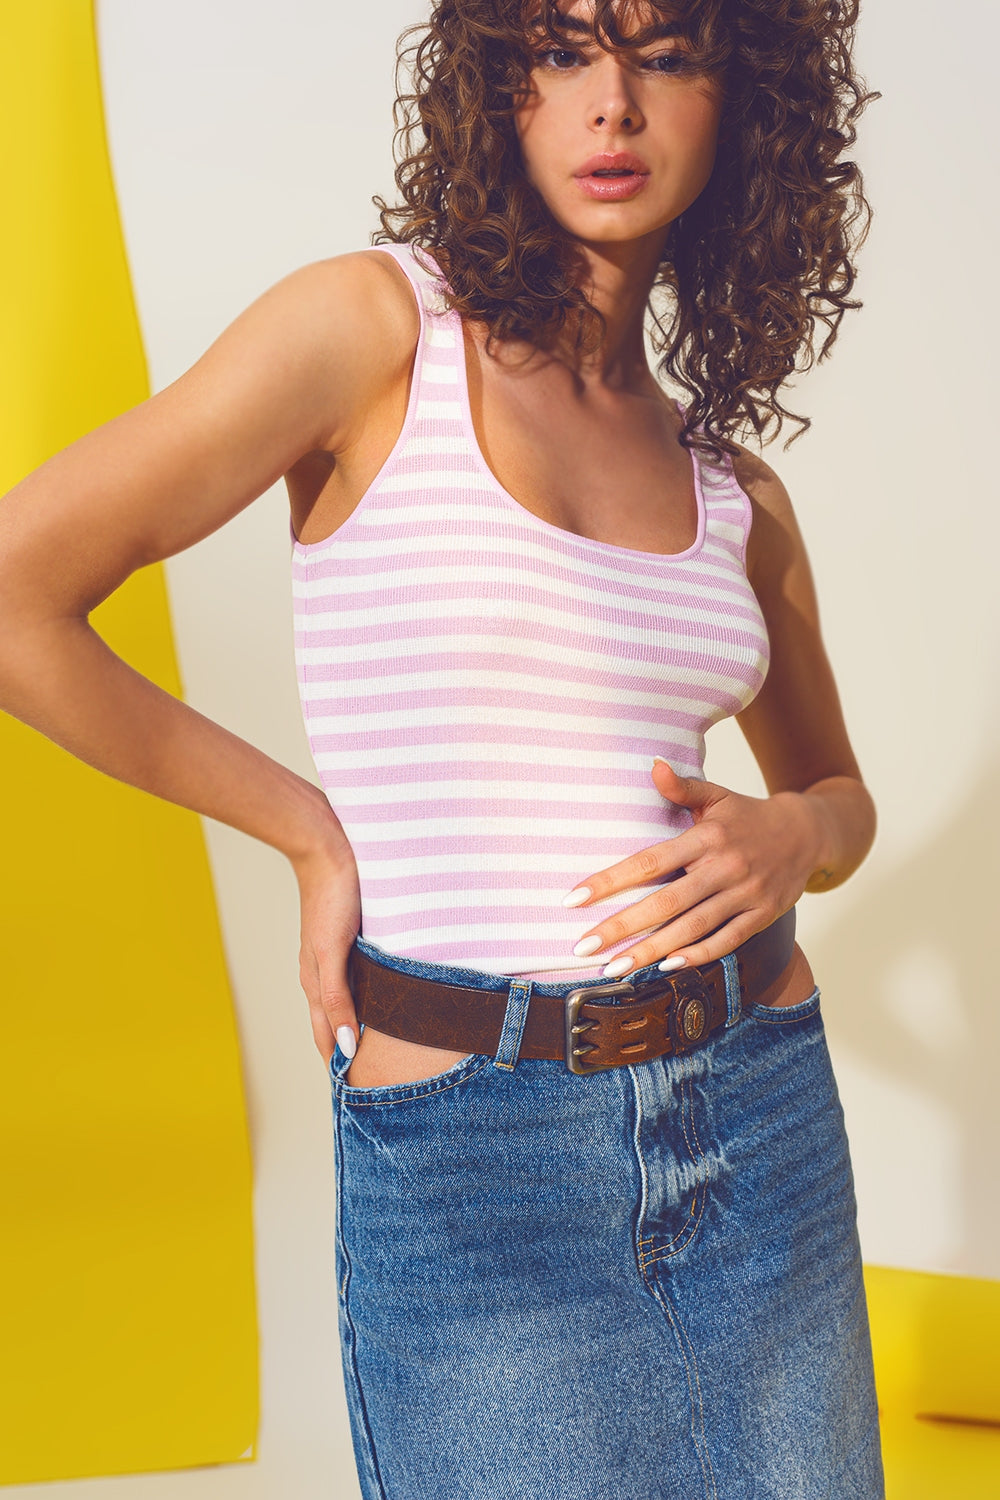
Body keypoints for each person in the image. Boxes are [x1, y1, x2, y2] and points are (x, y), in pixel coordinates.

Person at [0, 0, 884, 1495]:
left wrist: (794, 836)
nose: (612, 103)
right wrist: (304, 827)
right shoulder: (373, 333)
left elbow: (842, 797)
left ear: (748, 107)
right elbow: (22, 596)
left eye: (667, 55)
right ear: (498, 85)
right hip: (482, 1148)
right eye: (562, 47)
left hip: (760, 1107)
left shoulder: (734, 490)